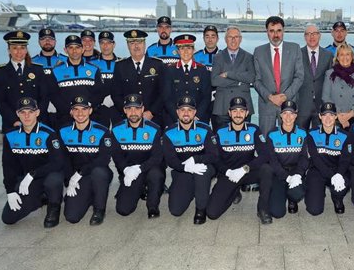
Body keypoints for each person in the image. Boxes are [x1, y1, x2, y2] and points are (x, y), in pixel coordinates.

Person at [1, 97, 64, 227]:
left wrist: (33, 174)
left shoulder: (49, 134)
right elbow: (8, 165)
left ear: (37, 113)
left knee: (54, 180)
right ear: (17, 114)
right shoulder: (10, 136)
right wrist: (10, 191)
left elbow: (58, 162)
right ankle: (39, 198)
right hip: (26, 181)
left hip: (47, 175)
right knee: (8, 218)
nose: (27, 116)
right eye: (23, 112)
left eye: (30, 111)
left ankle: (54, 206)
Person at [207, 97, 269, 223]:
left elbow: (264, 155)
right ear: (229, 113)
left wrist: (245, 168)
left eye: (241, 111)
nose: (238, 114)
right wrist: (227, 172)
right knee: (212, 213)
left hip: (247, 171)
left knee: (267, 170)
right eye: (235, 111)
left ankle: (262, 209)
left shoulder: (254, 130)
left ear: (247, 113)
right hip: (229, 174)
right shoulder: (220, 131)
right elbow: (215, 158)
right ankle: (233, 191)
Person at [162, 96, 218, 224]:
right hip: (182, 171)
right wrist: (185, 167)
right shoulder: (169, 133)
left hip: (203, 167)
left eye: (189, 110)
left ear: (194, 112)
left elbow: (214, 155)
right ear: (177, 112)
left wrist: (196, 159)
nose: (186, 113)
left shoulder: (205, 129)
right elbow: (170, 160)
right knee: (175, 210)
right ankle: (194, 189)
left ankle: (201, 209)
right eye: (182, 110)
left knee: (202, 172)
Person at [59, 95, 113, 225]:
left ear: (90, 111)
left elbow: (104, 159)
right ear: (71, 112)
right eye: (76, 109)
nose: (80, 113)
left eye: (84, 109)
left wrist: (80, 173)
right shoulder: (63, 131)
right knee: (71, 217)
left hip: (96, 173)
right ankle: (89, 196)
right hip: (75, 177)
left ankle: (99, 209)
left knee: (99, 173)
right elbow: (62, 159)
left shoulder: (102, 131)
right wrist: (69, 180)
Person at [109, 94, 165, 218]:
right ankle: (137, 188)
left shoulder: (154, 129)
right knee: (123, 210)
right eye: (129, 108)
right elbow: (117, 155)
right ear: (124, 110)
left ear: (142, 109)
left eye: (137, 108)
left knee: (156, 174)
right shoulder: (117, 130)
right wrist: (125, 169)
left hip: (149, 168)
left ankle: (152, 206)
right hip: (129, 171)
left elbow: (157, 157)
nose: (133, 112)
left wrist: (140, 168)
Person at [253, 16, 305, 135]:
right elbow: (256, 80)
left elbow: (299, 76)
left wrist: (285, 96)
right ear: (267, 32)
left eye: (279, 30)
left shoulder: (294, 49)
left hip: (289, 104)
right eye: (272, 31)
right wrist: (270, 97)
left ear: (283, 31)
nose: (275, 34)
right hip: (267, 105)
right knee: (266, 141)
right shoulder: (258, 52)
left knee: (289, 141)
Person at [260, 100, 308, 217]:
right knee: (277, 213)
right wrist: (286, 177)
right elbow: (272, 161)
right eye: (285, 113)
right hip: (279, 174)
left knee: (298, 192)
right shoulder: (272, 134)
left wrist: (298, 175)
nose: (288, 117)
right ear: (280, 115)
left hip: (296, 172)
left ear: (296, 115)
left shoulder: (303, 133)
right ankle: (283, 192)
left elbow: (304, 158)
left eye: (291, 113)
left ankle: (292, 198)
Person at [0, 30, 48, 131]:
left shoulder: (37, 70)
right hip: (12, 124)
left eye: (22, 48)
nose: (19, 52)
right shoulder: (0, 72)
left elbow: (44, 97)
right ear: (9, 50)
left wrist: (35, 117)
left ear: (26, 50)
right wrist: (14, 120)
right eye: (15, 48)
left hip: (36, 122)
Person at [112, 29, 165, 127]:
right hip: (128, 119)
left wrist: (152, 112)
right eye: (132, 43)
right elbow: (116, 94)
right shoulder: (120, 66)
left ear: (144, 44)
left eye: (139, 42)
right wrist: (129, 113)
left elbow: (163, 92)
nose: (136, 46)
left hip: (153, 118)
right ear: (128, 46)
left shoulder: (157, 64)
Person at [305, 102, 351, 215]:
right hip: (318, 170)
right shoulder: (311, 134)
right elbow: (315, 159)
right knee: (314, 210)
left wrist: (339, 174)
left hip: (338, 170)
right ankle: (318, 191)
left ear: (336, 116)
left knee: (343, 183)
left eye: (331, 115)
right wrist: (331, 176)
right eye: (325, 115)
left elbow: (345, 159)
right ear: (320, 117)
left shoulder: (345, 135)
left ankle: (337, 198)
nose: (328, 118)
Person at [48, 34, 103, 126]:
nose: (74, 51)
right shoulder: (56, 71)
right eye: (70, 47)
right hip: (65, 116)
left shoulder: (94, 69)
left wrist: (87, 109)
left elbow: (99, 93)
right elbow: (53, 95)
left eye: (77, 47)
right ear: (65, 50)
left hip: (90, 116)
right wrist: (69, 110)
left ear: (82, 49)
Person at [211, 26, 255, 131]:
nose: (233, 40)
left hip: (243, 107)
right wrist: (239, 81)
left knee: (244, 140)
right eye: (230, 37)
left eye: (236, 37)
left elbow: (251, 77)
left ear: (240, 39)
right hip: (222, 107)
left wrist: (229, 74)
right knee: (221, 141)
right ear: (226, 39)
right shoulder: (218, 57)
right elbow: (215, 80)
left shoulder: (249, 57)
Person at [163, 34, 212, 125]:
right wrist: (177, 117)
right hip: (175, 119)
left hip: (198, 119)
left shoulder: (202, 70)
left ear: (193, 50)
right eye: (182, 48)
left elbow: (206, 97)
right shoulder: (170, 70)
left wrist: (197, 116)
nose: (185, 52)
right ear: (178, 51)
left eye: (189, 48)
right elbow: (167, 98)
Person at [322, 43, 354, 129]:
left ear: (352, 57)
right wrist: (339, 116)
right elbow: (325, 97)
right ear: (337, 58)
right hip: (334, 118)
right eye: (341, 55)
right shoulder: (330, 74)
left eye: (347, 54)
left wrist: (349, 115)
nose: (345, 57)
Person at [297, 24, 333, 130]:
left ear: (319, 35)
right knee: (301, 139)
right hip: (302, 105)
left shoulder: (328, 55)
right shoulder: (297, 54)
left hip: (321, 105)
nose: (311, 37)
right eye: (308, 34)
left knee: (319, 139)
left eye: (314, 34)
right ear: (304, 37)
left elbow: (331, 81)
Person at [92, 30, 122, 128]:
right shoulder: (91, 65)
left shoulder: (122, 63)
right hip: (97, 109)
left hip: (118, 108)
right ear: (99, 45)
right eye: (102, 43)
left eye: (108, 43)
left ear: (114, 44)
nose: (105, 46)